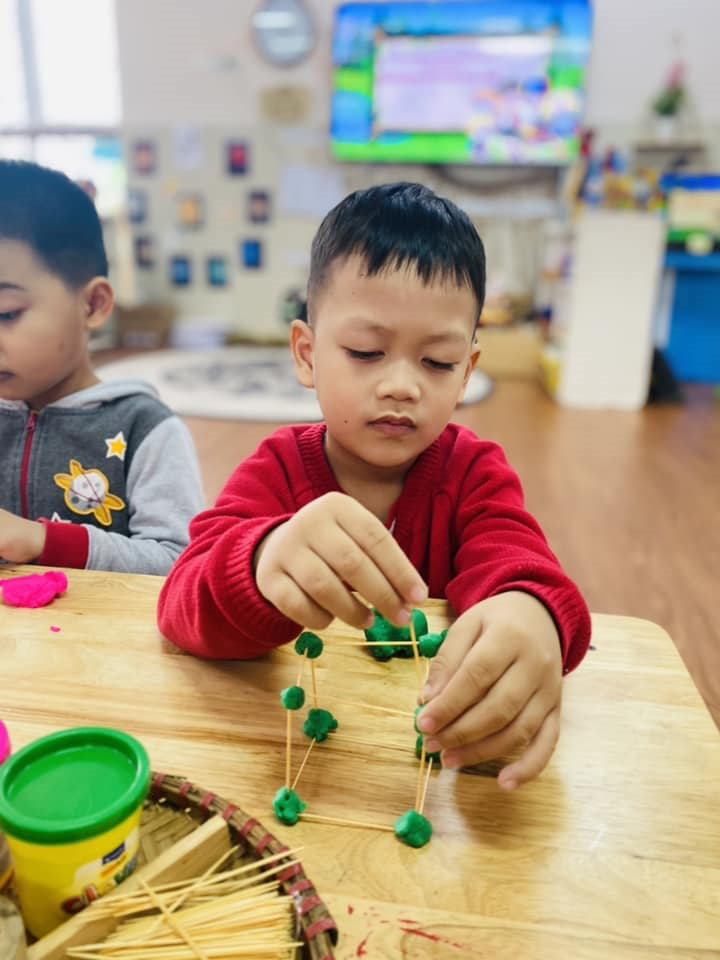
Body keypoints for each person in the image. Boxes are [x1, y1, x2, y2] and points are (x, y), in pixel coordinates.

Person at [158, 182, 591, 788]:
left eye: (437, 363)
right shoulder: (277, 468)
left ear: (467, 371)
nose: (401, 386)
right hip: (295, 762)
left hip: (424, 768)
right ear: (307, 354)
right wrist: (260, 561)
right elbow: (181, 604)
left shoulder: (474, 473)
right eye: (365, 352)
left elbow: (523, 564)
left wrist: (533, 612)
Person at [0, 160, 204, 574]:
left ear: (92, 305)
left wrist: (43, 542)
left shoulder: (144, 428)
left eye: (7, 313)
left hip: (103, 618)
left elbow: (179, 565)